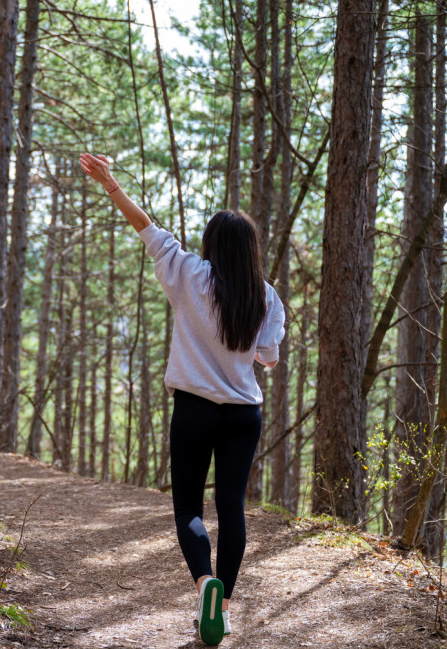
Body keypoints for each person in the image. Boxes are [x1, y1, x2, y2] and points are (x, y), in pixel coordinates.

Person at [79, 153, 285, 646]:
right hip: (243, 414)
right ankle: (225, 608)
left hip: (194, 409)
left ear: (211, 245)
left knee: (188, 507)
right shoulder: (266, 296)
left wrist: (111, 184)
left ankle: (204, 585)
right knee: (231, 506)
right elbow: (268, 358)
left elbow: (145, 226)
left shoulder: (189, 274)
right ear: (251, 251)